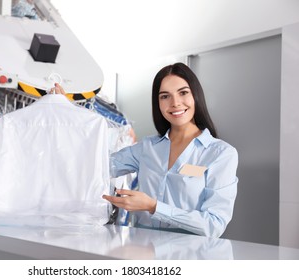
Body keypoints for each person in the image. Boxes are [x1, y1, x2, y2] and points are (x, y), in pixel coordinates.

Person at [52, 62, 238, 238]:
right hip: (143, 252)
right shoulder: (147, 147)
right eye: (165, 96)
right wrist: (69, 112)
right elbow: (97, 166)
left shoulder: (220, 154)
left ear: (196, 95)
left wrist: (153, 206)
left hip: (189, 257)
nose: (175, 102)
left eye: (183, 93)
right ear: (158, 103)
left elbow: (214, 224)